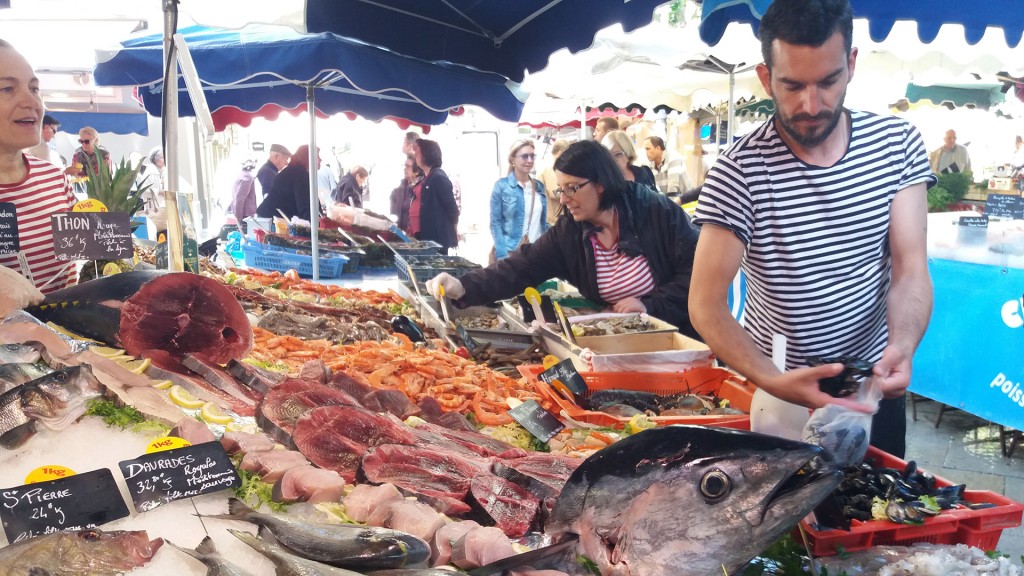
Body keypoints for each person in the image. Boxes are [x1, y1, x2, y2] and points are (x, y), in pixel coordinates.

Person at [689, 0, 934, 458]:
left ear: (852, 64)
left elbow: (910, 267)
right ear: (765, 78)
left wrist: (902, 345)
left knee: (874, 518)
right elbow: (705, 303)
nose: (811, 104)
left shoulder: (897, 145)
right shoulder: (738, 170)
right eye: (792, 85)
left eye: (828, 81)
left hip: (870, 387)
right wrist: (773, 379)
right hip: (779, 385)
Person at [426, 140, 701, 338]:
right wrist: (461, 286)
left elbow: (699, 274)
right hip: (620, 342)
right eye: (560, 189)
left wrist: (648, 305)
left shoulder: (656, 211)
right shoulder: (571, 231)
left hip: (680, 339)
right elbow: (522, 267)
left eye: (573, 188)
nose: (564, 198)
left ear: (601, 183)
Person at [0, 40, 77, 294]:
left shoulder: (54, 178)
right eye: (7, 89)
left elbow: (72, 274)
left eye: (34, 89)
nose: (31, 102)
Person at [490, 139, 547, 261]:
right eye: (524, 156)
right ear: (512, 160)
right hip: (511, 253)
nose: (530, 160)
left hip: (536, 252)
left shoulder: (539, 187)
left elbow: (542, 222)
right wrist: (502, 256)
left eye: (532, 156)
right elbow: (495, 224)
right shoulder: (501, 186)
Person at [412, 139, 459, 254]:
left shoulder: (438, 177)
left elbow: (452, 209)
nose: (415, 155)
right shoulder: (427, 177)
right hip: (426, 238)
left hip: (437, 241)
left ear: (427, 153)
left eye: (417, 151)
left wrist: (454, 232)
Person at [255, 144, 318, 221]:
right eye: (286, 159)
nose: (286, 163)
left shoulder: (280, 171)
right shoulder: (267, 171)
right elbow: (267, 194)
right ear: (276, 156)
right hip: (270, 219)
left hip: (272, 217)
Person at [540, 139, 570, 226]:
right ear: (560, 152)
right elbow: (555, 193)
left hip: (550, 219)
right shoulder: (552, 167)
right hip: (553, 220)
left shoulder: (547, 164)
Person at [389, 154, 423, 231]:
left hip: (416, 237)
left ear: (417, 171)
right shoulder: (398, 190)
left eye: (408, 166)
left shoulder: (421, 189)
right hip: (399, 234)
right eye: (404, 166)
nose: (405, 169)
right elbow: (393, 215)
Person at [231, 159, 258, 225]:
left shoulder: (241, 174)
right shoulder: (247, 177)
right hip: (245, 215)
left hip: (243, 214)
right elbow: (240, 198)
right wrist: (239, 219)